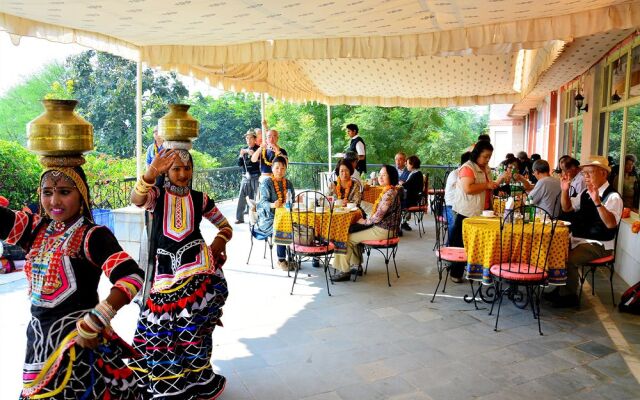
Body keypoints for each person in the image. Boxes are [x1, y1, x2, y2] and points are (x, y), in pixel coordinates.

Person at [0, 165, 144, 399]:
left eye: (64, 192)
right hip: (38, 342)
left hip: (79, 341)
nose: (54, 201)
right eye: (47, 193)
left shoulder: (94, 235)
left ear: (82, 195)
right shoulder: (36, 229)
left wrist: (97, 319)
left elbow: (131, 277)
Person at [130, 148, 232, 399]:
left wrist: (219, 242)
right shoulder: (157, 195)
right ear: (167, 170)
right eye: (176, 168)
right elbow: (136, 199)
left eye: (187, 168)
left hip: (198, 270)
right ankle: (171, 385)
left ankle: (198, 380)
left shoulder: (201, 199)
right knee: (159, 329)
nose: (183, 173)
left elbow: (225, 225)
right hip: (164, 275)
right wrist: (151, 172)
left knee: (194, 328)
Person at [550, 155, 623, 307]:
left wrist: (597, 202)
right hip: (581, 239)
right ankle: (560, 289)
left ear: (603, 173)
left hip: (600, 244)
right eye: (584, 173)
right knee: (555, 249)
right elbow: (567, 208)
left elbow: (610, 224)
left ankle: (569, 297)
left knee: (569, 258)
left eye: (590, 172)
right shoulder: (585, 193)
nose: (586, 176)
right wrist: (565, 190)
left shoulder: (613, 197)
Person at [331, 165, 401, 282]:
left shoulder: (389, 194)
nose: (380, 177)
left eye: (384, 175)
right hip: (387, 229)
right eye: (380, 174)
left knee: (346, 237)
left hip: (383, 230)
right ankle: (356, 265)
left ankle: (344, 271)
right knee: (353, 231)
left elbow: (378, 216)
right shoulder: (390, 190)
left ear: (391, 177)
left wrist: (365, 221)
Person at [450, 141, 504, 283]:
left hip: (484, 211)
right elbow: (468, 188)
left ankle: (479, 271)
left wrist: (496, 183)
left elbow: (488, 186)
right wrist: (487, 185)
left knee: (480, 243)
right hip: (467, 211)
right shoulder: (468, 168)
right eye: (485, 156)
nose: (487, 160)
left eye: (489, 157)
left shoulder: (486, 168)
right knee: (461, 243)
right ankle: (456, 272)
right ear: (477, 154)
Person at [256, 156, 296, 271]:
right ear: (272, 169)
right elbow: (262, 203)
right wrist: (273, 205)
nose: (280, 171)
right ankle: (281, 260)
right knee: (282, 226)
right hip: (269, 217)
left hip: (287, 215)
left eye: (283, 168)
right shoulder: (266, 182)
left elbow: (292, 201)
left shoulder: (288, 183)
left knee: (299, 225)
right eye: (277, 168)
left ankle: (293, 256)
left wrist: (295, 201)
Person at [444, 152, 471, 245]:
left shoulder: (465, 175)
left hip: (461, 205)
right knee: (455, 225)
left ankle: (463, 246)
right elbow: (464, 189)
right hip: (450, 206)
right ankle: (450, 246)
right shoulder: (455, 174)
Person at [235, 129, 261, 224]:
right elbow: (239, 164)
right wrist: (241, 155)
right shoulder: (244, 149)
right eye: (247, 138)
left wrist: (253, 154)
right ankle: (239, 217)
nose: (248, 140)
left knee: (257, 197)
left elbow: (260, 162)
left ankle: (258, 217)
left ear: (255, 139)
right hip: (245, 176)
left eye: (250, 138)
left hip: (256, 175)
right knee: (241, 196)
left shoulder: (259, 149)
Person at [400, 155, 424, 231]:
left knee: (395, 203)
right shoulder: (415, 173)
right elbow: (409, 185)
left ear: (412, 164)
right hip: (412, 198)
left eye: (407, 163)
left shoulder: (416, 174)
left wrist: (401, 184)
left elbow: (407, 186)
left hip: (412, 200)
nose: (406, 165)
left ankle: (399, 225)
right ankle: (402, 223)